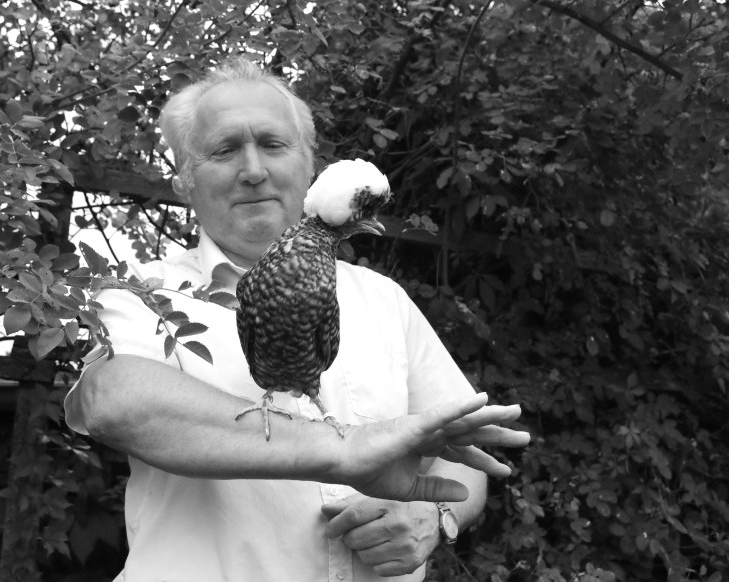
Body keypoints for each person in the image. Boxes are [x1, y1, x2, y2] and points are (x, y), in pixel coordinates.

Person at [63, 57, 529, 582]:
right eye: (224, 150)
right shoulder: (141, 291)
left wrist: (434, 515)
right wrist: (342, 450)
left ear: (309, 168)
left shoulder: (384, 299)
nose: (253, 170)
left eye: (273, 144)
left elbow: (462, 446)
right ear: (184, 182)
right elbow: (116, 403)